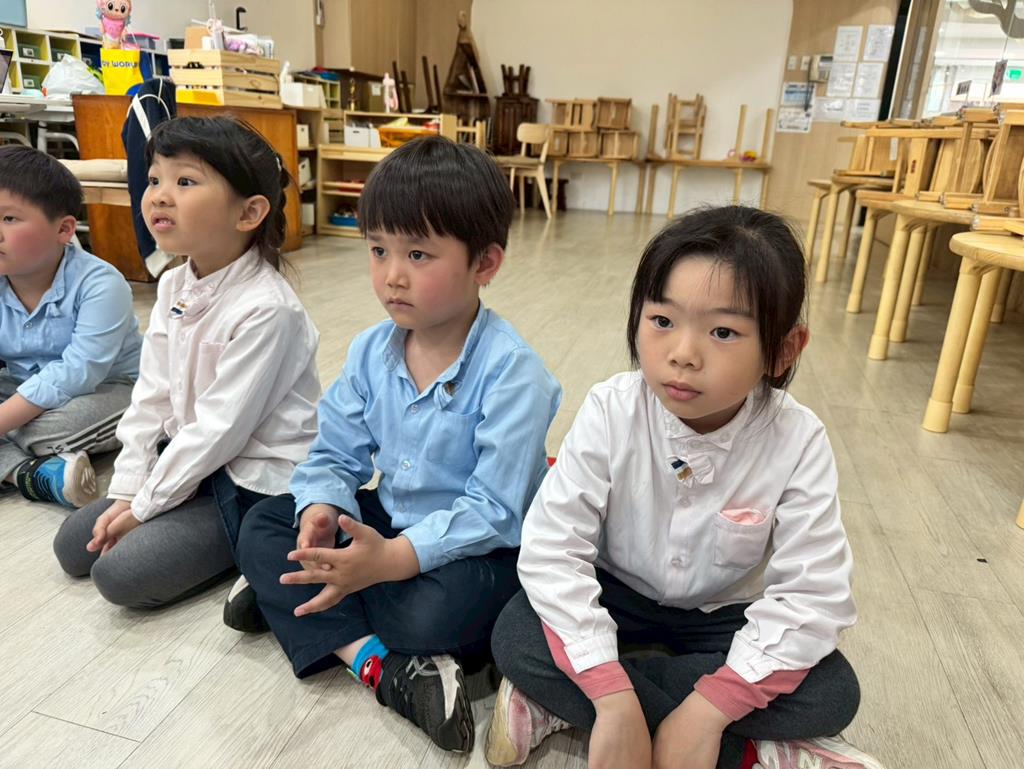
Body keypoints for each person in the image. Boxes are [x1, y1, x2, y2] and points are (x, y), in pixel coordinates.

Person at [486, 207, 885, 769]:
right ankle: (746, 746)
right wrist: (613, 696)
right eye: (662, 320)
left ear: (782, 350)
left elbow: (813, 594)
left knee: (833, 690)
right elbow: (553, 548)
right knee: (516, 635)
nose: (682, 354)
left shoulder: (797, 439)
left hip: (722, 614)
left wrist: (709, 709)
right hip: (617, 592)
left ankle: (567, 704)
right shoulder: (611, 410)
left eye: (723, 332)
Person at [232, 136, 561, 754]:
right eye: (378, 249)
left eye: (418, 253)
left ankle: (303, 597)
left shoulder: (514, 373)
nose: (392, 275)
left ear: (485, 263)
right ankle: (375, 660)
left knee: (432, 614)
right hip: (392, 516)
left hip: (479, 547)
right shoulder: (370, 351)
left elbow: (494, 511)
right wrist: (322, 507)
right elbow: (334, 455)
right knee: (265, 524)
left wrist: (393, 559)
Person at [52, 116, 320, 610]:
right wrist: (130, 488)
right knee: (72, 546)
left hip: (249, 482)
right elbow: (151, 397)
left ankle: (260, 552)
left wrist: (147, 506)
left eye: (185, 182)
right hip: (191, 463)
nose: (158, 196)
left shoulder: (268, 309)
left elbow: (221, 430)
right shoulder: (174, 284)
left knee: (119, 575)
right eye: (155, 179)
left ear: (249, 212)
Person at [0, 144, 141, 508]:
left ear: (63, 229)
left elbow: (79, 371)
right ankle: (31, 474)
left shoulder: (100, 284)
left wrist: (4, 419)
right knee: (21, 422)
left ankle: (20, 458)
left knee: (44, 429)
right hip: (24, 385)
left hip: (111, 388)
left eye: (9, 218)